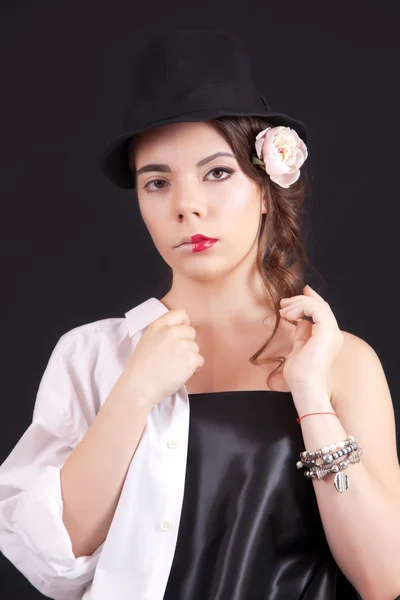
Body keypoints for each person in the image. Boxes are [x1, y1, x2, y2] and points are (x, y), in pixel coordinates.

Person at [1, 28, 400, 600]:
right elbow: (51, 562)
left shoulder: (340, 361)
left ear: (266, 187)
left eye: (217, 172)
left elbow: (385, 578)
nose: (187, 204)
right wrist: (134, 392)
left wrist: (310, 395)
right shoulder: (91, 354)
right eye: (157, 182)